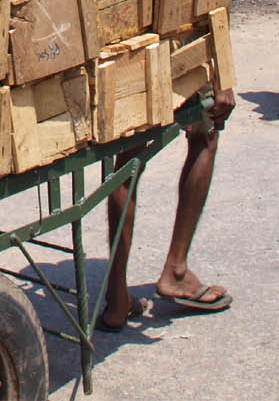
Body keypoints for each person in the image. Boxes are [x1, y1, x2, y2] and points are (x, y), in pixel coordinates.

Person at [100, 88, 236, 330]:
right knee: (206, 135)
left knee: (129, 153)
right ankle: (176, 271)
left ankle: (117, 297)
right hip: (179, 56)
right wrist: (222, 78)